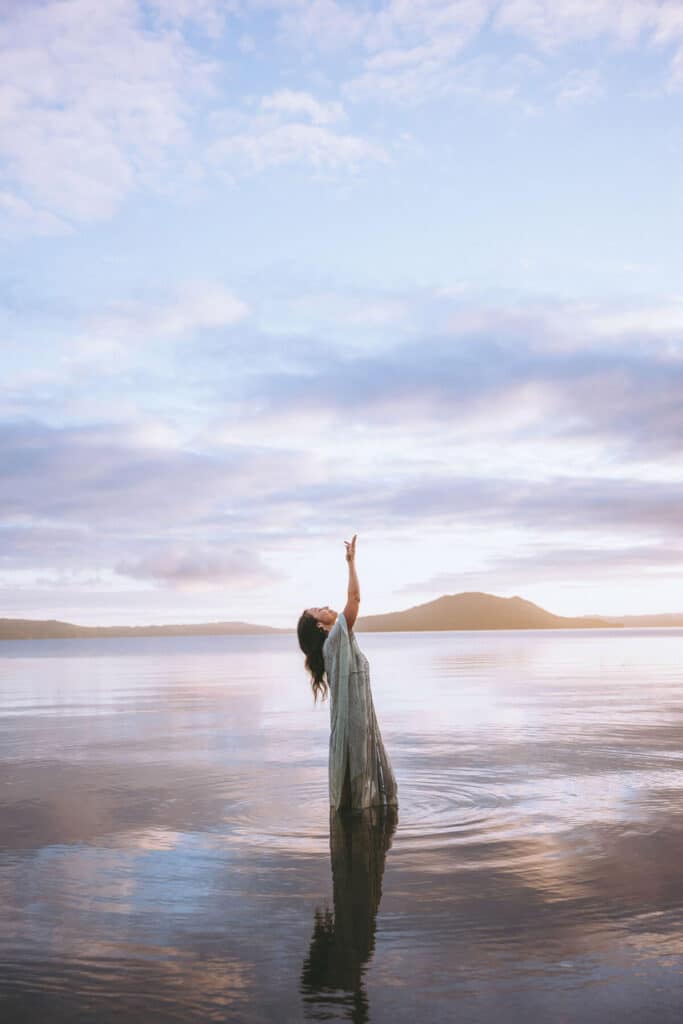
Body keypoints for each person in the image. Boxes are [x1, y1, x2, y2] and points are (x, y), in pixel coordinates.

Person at [297, 535, 399, 811]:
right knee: (360, 792)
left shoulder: (338, 642)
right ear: (319, 627)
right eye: (318, 610)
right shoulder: (333, 642)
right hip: (355, 726)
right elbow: (355, 599)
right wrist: (351, 563)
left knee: (361, 793)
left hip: (360, 722)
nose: (324, 606)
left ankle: (356, 827)